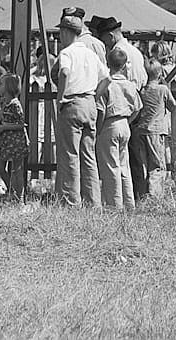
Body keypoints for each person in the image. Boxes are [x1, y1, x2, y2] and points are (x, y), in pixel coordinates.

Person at [54, 12, 108, 207]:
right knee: (88, 155)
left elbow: (65, 71)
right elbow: (107, 78)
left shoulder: (67, 53)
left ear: (67, 32)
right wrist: (95, 95)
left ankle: (71, 201)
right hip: (90, 103)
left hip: (72, 103)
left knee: (70, 154)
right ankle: (94, 202)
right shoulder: (91, 53)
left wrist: (61, 98)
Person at [96, 47, 142, 211]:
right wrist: (128, 121)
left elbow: (101, 110)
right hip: (125, 124)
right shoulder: (130, 85)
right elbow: (137, 108)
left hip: (110, 124)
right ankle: (129, 202)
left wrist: (98, 129)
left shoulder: (107, 84)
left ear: (108, 64)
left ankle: (114, 204)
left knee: (111, 166)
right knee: (124, 166)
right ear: (124, 66)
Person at [131, 58, 176, 199]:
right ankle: (154, 195)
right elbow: (172, 105)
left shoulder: (142, 90)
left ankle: (141, 193)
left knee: (142, 163)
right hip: (156, 130)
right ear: (160, 73)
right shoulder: (162, 89)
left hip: (140, 130)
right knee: (157, 165)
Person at [0, 73, 30, 202]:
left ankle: (19, 196)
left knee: (17, 170)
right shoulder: (3, 103)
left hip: (15, 141)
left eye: (1, 84)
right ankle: (11, 190)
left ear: (8, 87)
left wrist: (5, 127)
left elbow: (21, 124)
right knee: (0, 167)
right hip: (6, 141)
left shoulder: (15, 104)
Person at [100, 17, 148, 89]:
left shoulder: (117, 53)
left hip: (123, 93)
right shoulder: (136, 51)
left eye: (104, 40)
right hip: (136, 93)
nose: (104, 43)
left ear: (110, 36)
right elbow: (144, 78)